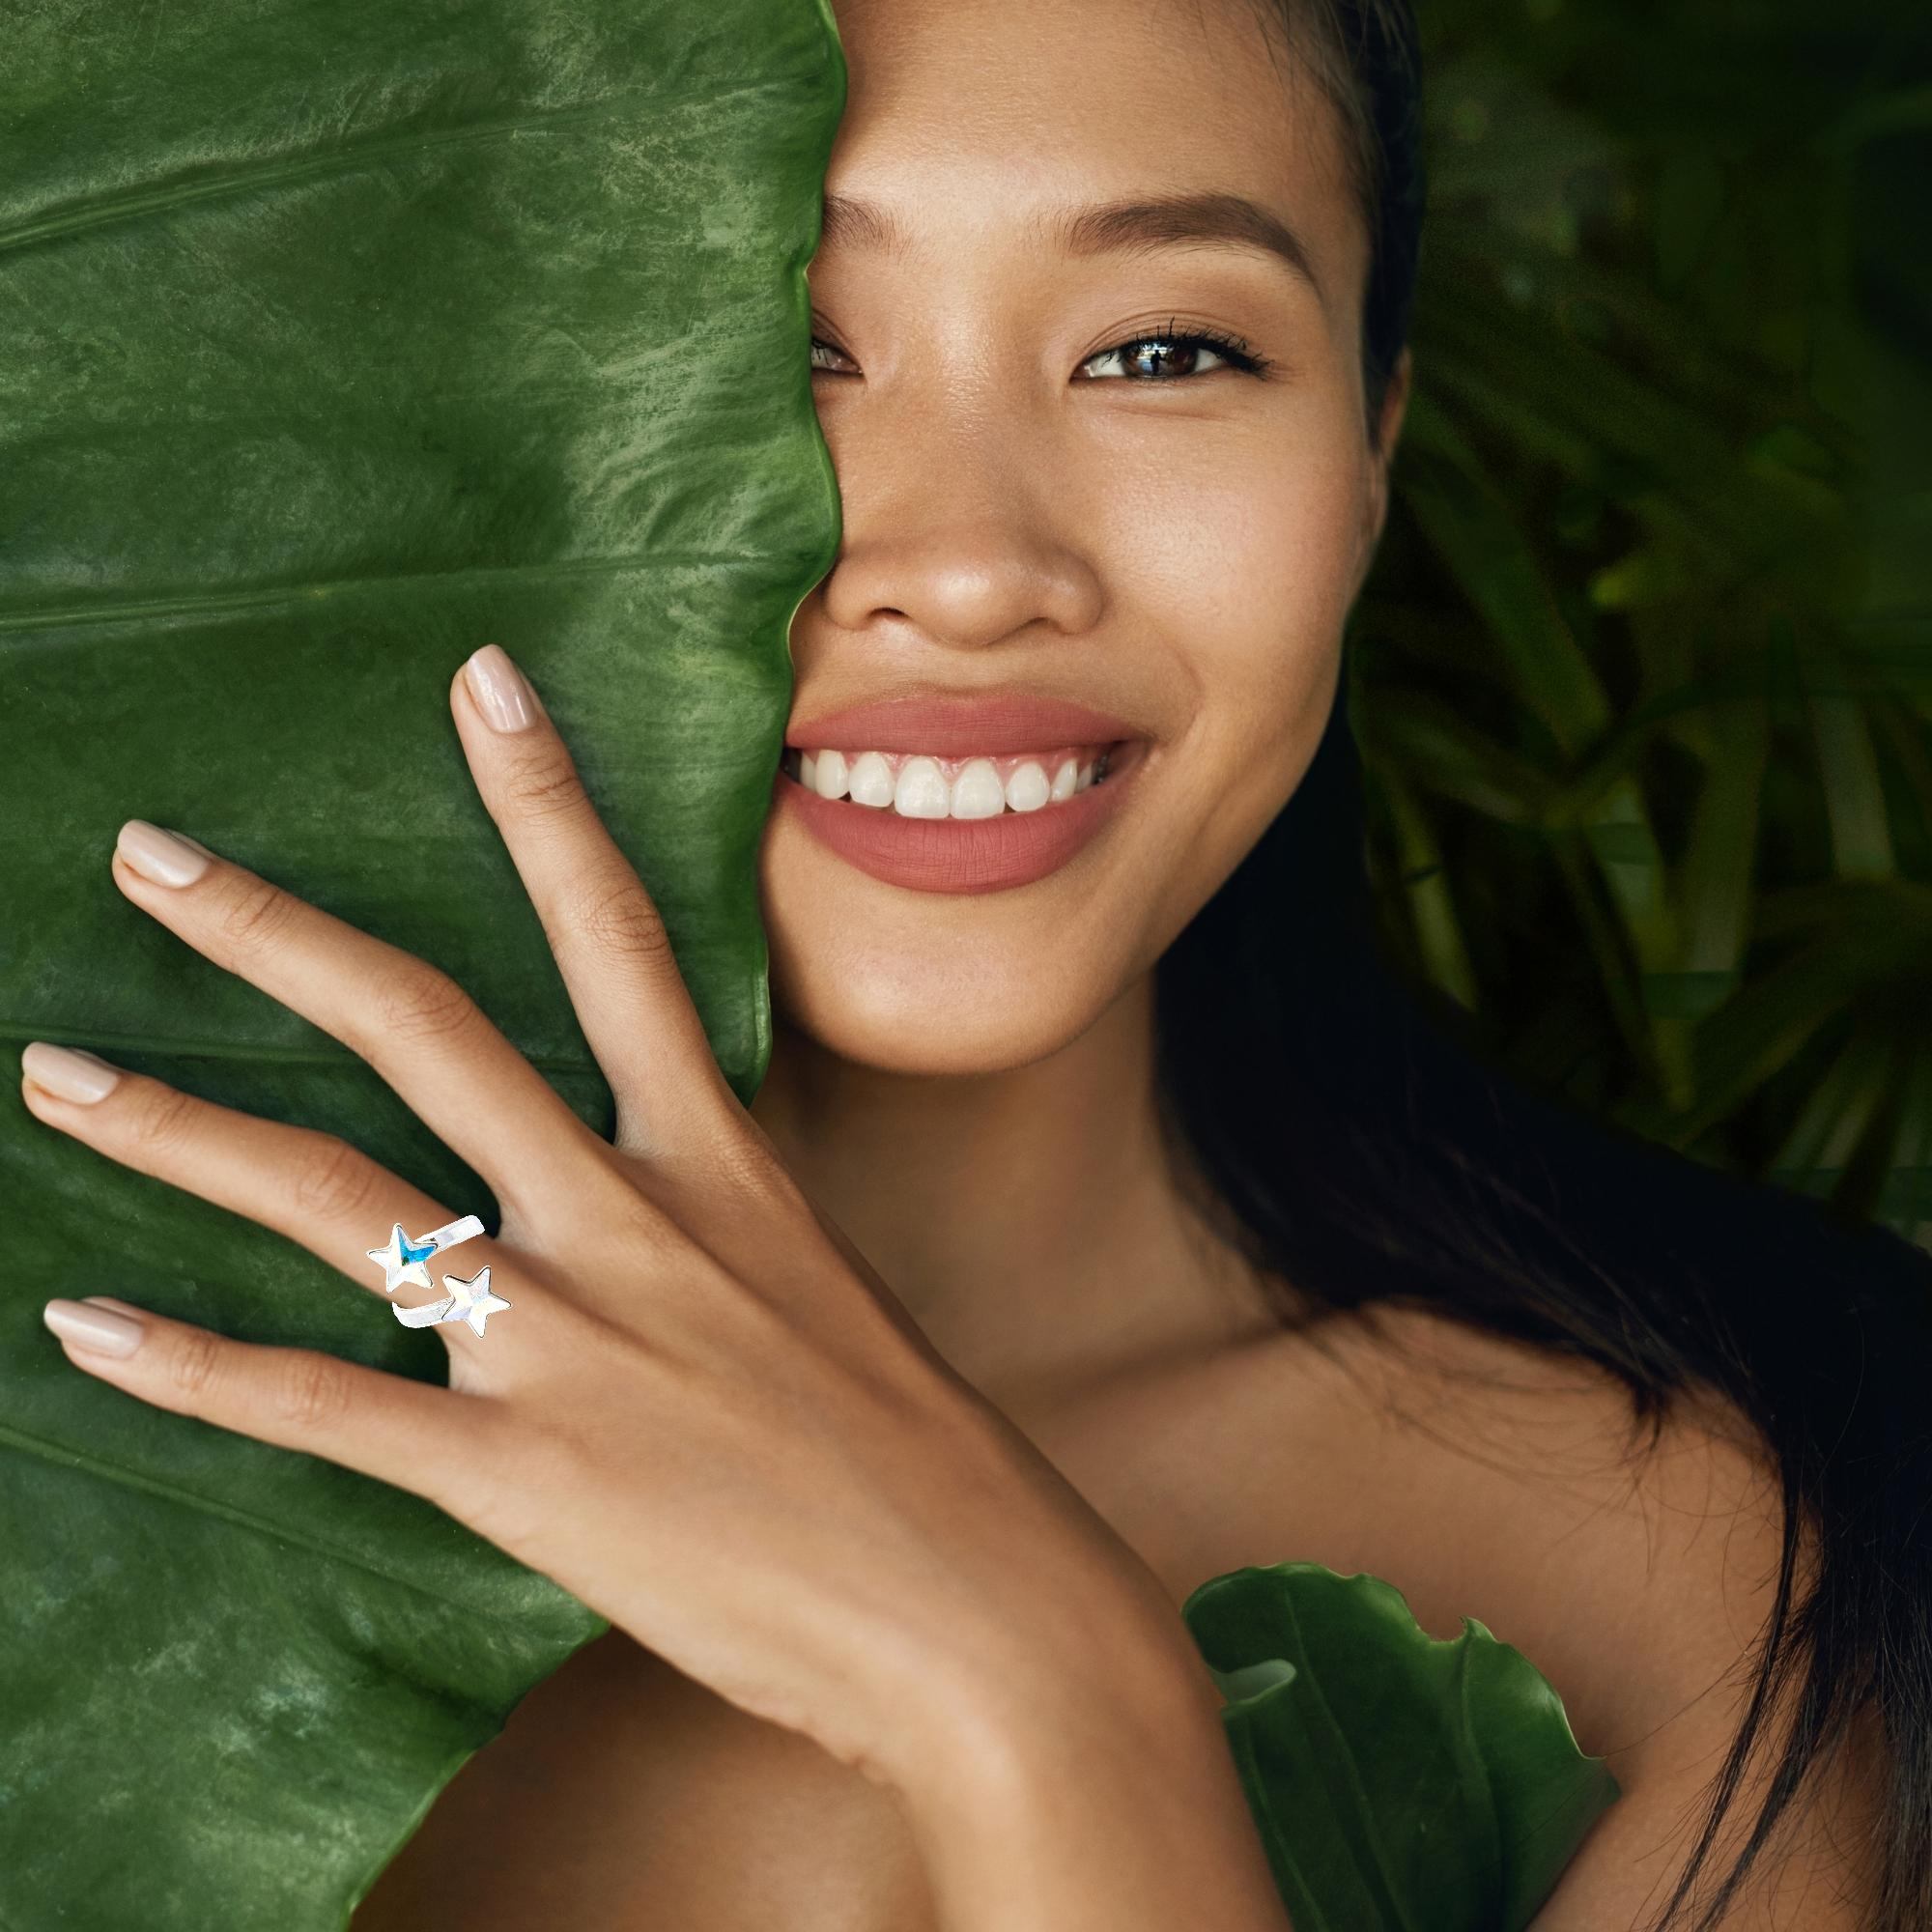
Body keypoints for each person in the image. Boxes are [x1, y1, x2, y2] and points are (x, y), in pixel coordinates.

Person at [27, 0, 1927, 1927]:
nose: (971, 563)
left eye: (1165, 350)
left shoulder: (1739, 1535)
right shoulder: (91, 1493)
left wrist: (1034, 1700)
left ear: (1370, 451)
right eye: (779, 342)